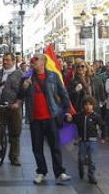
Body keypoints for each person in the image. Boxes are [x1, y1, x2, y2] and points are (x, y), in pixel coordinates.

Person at [19, 54, 72, 185]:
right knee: (37, 147)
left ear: (43, 62)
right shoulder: (27, 77)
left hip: (51, 117)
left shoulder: (53, 76)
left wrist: (66, 111)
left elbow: (63, 94)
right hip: (35, 119)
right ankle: (41, 171)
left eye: (36, 60)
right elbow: (19, 95)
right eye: (32, 61)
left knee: (55, 146)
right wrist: (24, 87)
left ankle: (59, 173)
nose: (33, 62)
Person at [0, 53, 24, 166]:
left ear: (13, 61)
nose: (5, 62)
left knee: (15, 132)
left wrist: (17, 103)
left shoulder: (19, 74)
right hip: (0, 106)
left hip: (14, 108)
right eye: (4, 60)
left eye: (8, 60)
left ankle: (14, 156)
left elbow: (23, 92)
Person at [74, 96, 105, 184]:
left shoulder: (95, 116)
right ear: (83, 106)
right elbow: (72, 119)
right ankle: (81, 169)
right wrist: (67, 118)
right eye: (86, 105)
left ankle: (91, 175)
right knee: (81, 158)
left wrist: (103, 137)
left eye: (90, 105)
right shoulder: (80, 116)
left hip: (92, 141)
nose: (88, 107)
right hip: (83, 141)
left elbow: (103, 125)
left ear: (93, 106)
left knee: (92, 160)